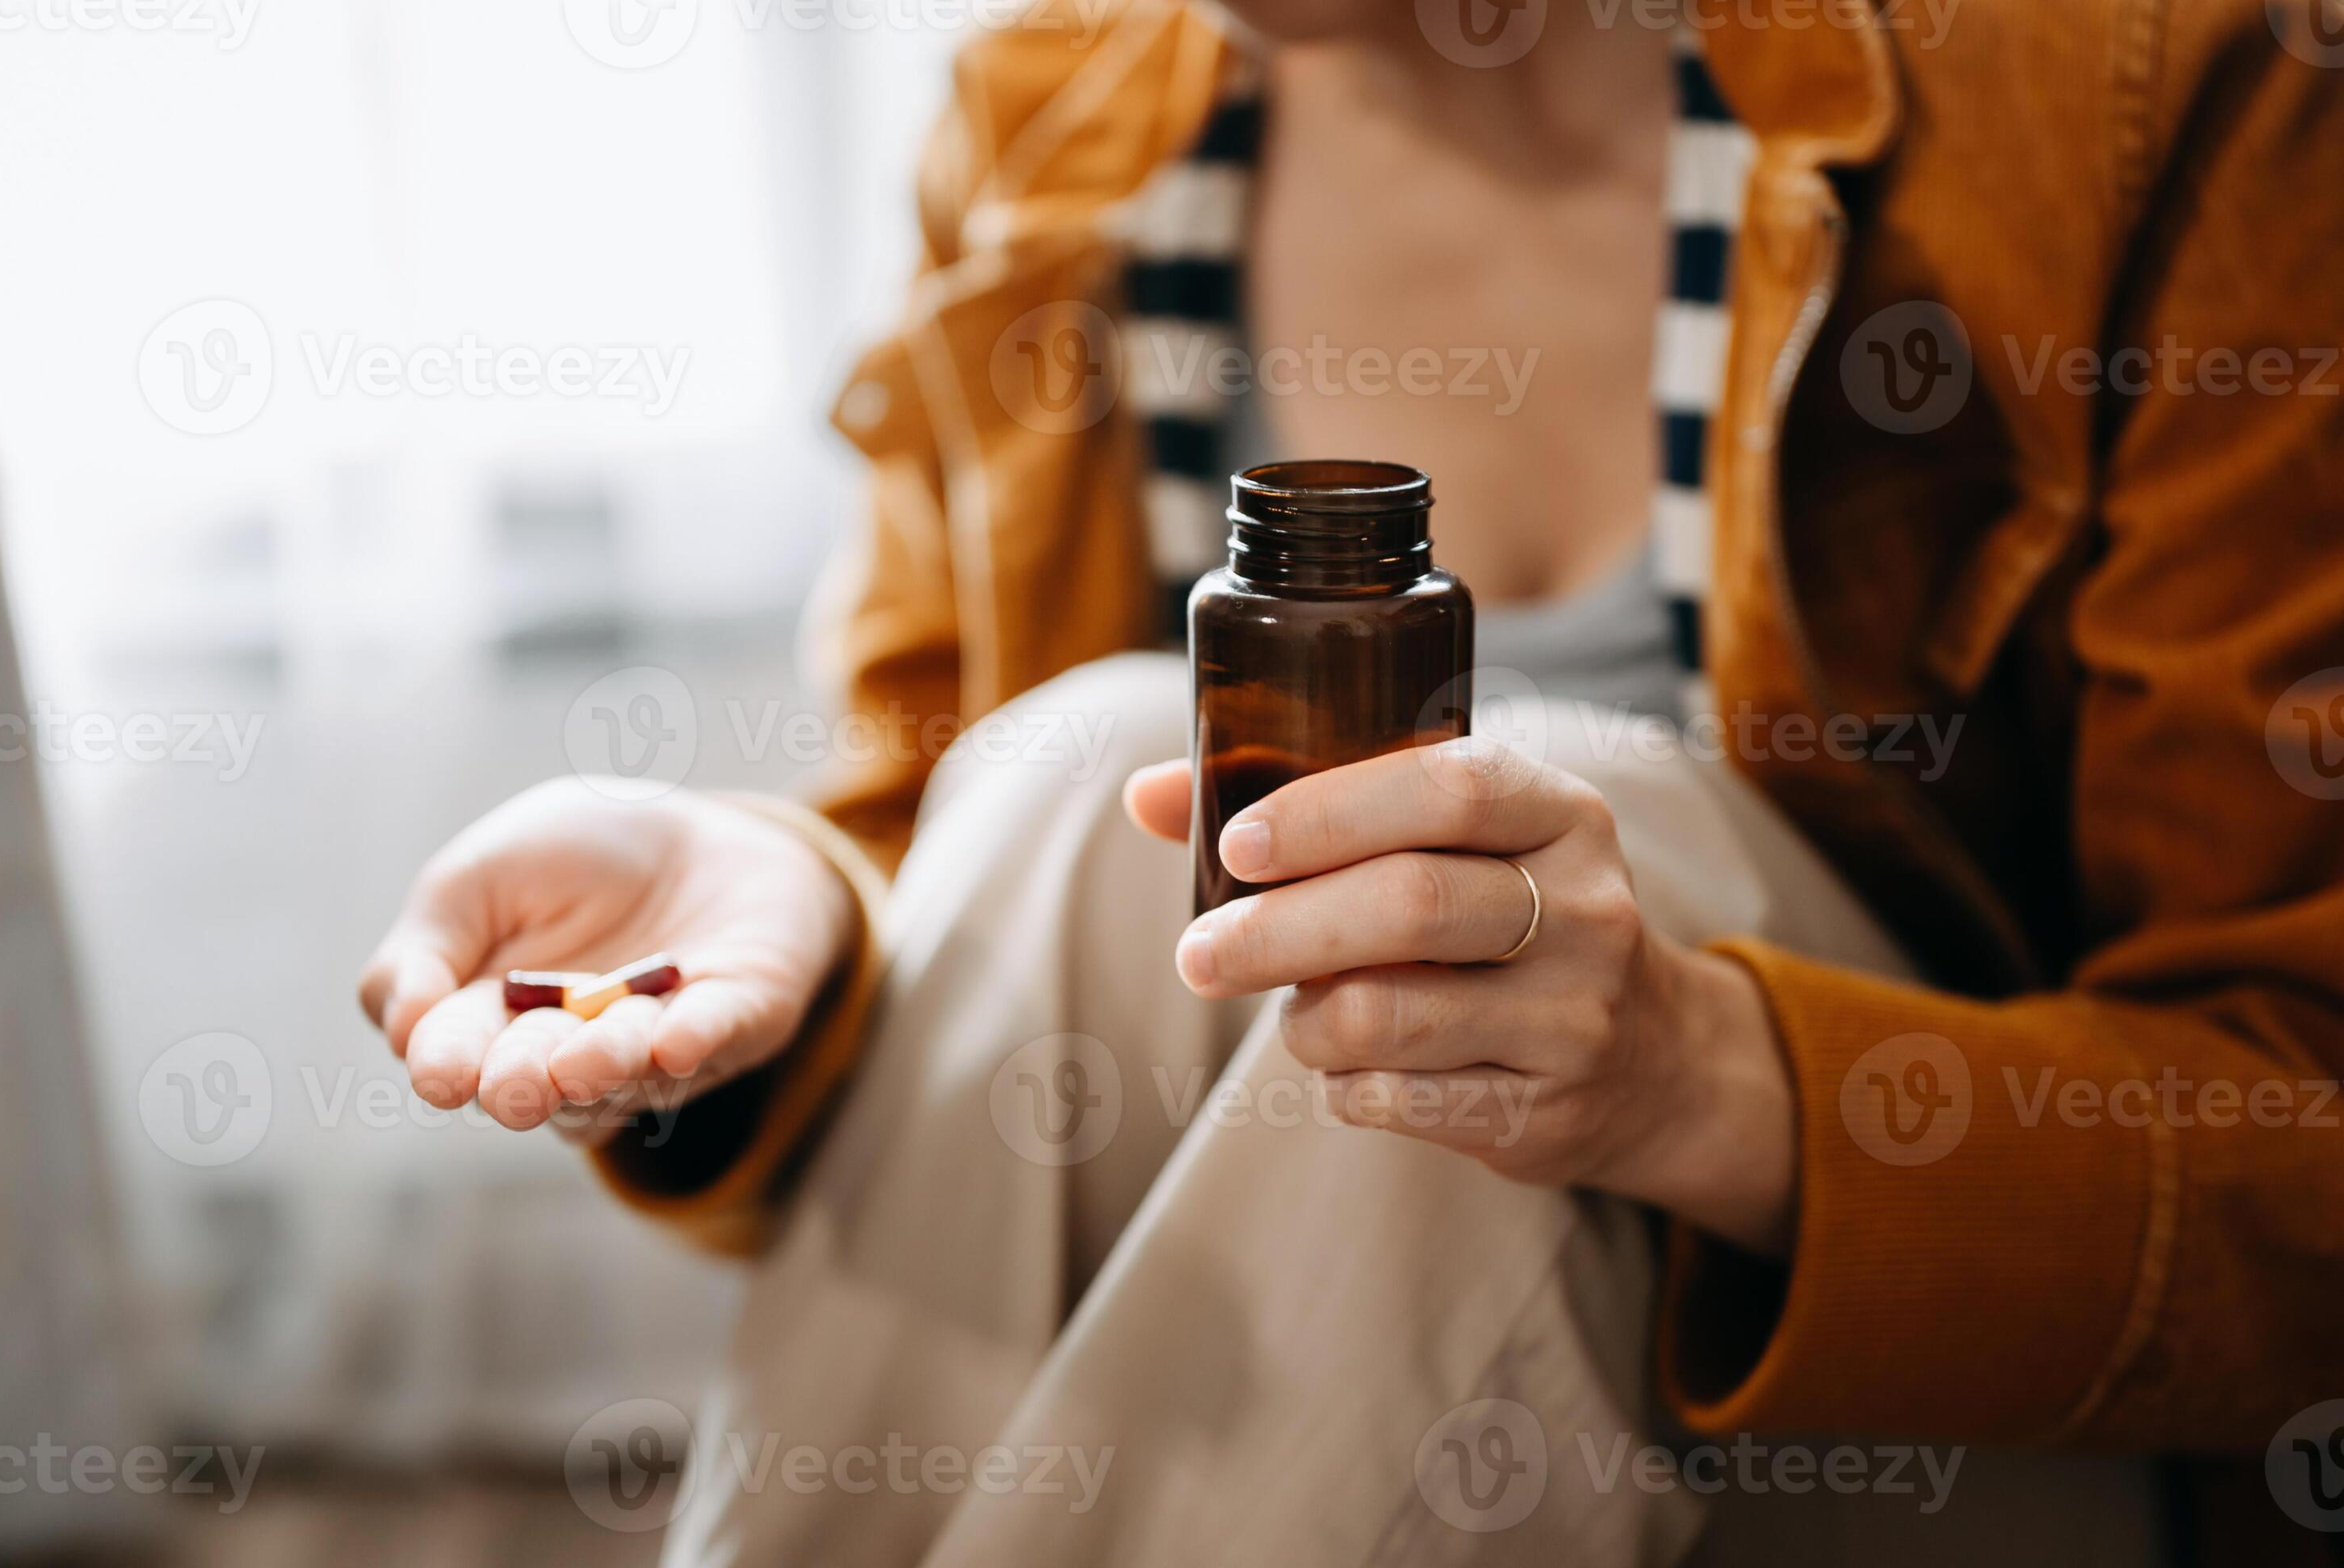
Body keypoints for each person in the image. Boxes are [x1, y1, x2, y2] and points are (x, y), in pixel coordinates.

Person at [358, 0, 2344, 1561]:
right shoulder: (1055, 125)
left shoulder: (2144, 83)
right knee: (1084, 764)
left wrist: (1688, 1070)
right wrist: (809, 901)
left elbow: (2299, 1148)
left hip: (1969, 1453)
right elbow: (926, 823)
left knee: (1496, 851)